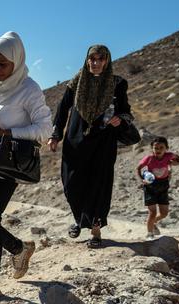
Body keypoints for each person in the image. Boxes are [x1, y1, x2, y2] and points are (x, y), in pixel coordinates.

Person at [0, 32, 53, 304]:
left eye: (2, 64)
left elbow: (45, 129)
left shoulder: (29, 89)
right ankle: (19, 249)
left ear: (16, 61)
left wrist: (10, 132)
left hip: (6, 167)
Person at [48, 45, 135, 248]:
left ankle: (95, 229)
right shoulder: (77, 81)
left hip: (103, 140)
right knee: (71, 182)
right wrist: (56, 134)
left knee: (99, 182)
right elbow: (63, 109)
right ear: (87, 60)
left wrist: (120, 119)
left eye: (100, 59)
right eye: (92, 59)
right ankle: (80, 219)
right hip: (75, 138)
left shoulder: (117, 83)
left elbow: (126, 112)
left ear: (107, 61)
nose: (96, 63)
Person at [136, 136, 179, 239]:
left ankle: (152, 222)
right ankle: (150, 233)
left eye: (161, 148)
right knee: (153, 212)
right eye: (156, 148)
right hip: (151, 187)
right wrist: (142, 180)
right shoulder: (149, 158)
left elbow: (178, 159)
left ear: (166, 148)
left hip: (163, 186)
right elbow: (138, 168)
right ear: (152, 149)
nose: (158, 150)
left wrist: (174, 162)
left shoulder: (169, 156)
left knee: (164, 213)